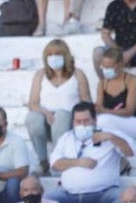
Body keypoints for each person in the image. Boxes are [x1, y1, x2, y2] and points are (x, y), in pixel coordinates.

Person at [46, 101, 132, 203]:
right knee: (47, 201)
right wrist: (79, 162)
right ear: (73, 122)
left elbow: (129, 152)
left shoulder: (108, 135)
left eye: (86, 121)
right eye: (78, 122)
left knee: (126, 199)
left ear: (94, 120)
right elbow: (55, 163)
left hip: (103, 193)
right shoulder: (66, 138)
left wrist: (111, 137)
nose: (82, 125)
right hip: (69, 194)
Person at [25, 39, 92, 174]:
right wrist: (46, 113)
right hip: (46, 121)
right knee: (32, 118)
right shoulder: (40, 75)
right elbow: (32, 103)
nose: (53, 57)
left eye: (57, 53)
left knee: (61, 115)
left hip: (68, 121)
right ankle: (43, 162)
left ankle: (59, 161)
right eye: (50, 54)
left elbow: (87, 102)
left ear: (65, 56)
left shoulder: (78, 75)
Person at [93, 45, 136, 144]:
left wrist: (105, 111)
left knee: (103, 120)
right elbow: (99, 107)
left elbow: (129, 111)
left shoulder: (132, 81)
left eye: (109, 67)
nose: (105, 70)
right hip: (112, 122)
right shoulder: (102, 84)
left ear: (119, 65)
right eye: (104, 67)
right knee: (97, 122)